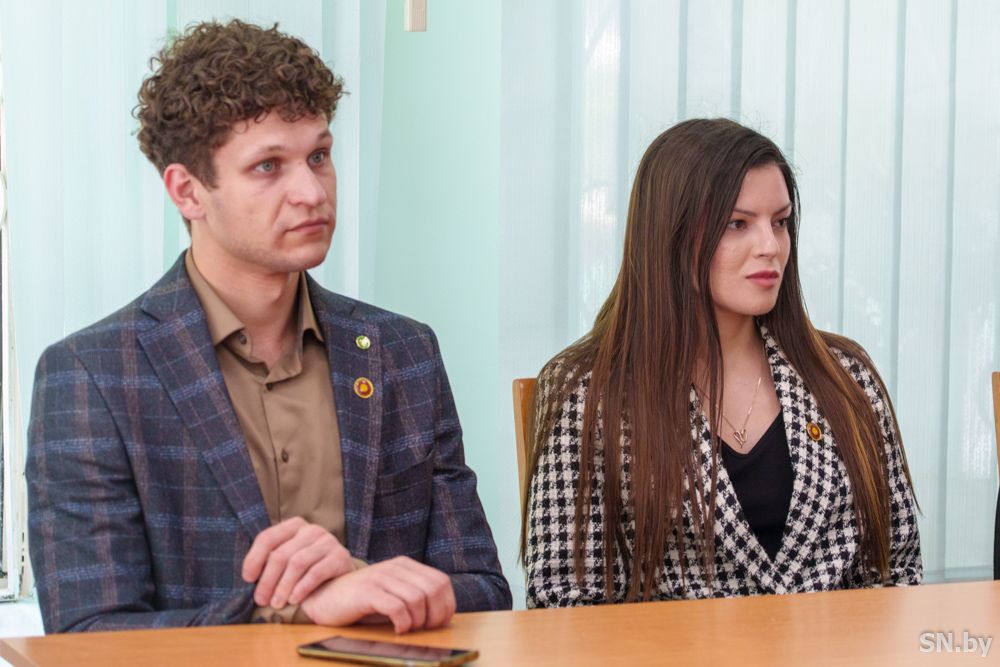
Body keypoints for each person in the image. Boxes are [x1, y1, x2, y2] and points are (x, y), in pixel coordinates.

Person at [26, 19, 510, 633]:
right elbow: (88, 635)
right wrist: (293, 609)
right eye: (267, 166)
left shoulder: (403, 351)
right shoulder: (90, 376)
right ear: (188, 191)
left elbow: (485, 593)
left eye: (319, 156)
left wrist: (361, 580)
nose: (311, 191)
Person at [522, 118, 921, 606]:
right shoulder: (588, 393)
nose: (770, 247)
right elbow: (563, 601)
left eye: (780, 222)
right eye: (738, 224)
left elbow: (898, 572)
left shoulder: (846, 376)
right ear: (670, 235)